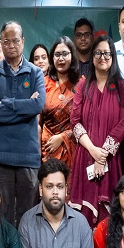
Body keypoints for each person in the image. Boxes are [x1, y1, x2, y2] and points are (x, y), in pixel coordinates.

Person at [0, 20, 46, 226]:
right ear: (1, 43)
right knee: (3, 217)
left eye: (15, 40)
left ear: (23, 41)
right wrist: (25, 107)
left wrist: (8, 103)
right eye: (6, 41)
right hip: (1, 156)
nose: (11, 45)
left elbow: (38, 105)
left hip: (28, 156)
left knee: (29, 216)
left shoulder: (35, 72)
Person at [68, 35, 124, 227]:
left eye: (106, 53)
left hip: (111, 159)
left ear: (113, 56)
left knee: (107, 220)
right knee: (83, 219)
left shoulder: (121, 87)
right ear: (92, 57)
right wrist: (93, 150)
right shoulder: (83, 85)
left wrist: (102, 157)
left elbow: (123, 123)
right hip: (85, 155)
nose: (102, 57)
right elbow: (75, 121)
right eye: (98, 53)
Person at [40, 36, 78, 167]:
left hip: (73, 150)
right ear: (52, 58)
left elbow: (86, 123)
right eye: (57, 55)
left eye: (65, 54)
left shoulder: (81, 85)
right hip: (47, 149)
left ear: (72, 56)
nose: (61, 58)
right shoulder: (43, 83)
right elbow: (38, 121)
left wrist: (62, 137)